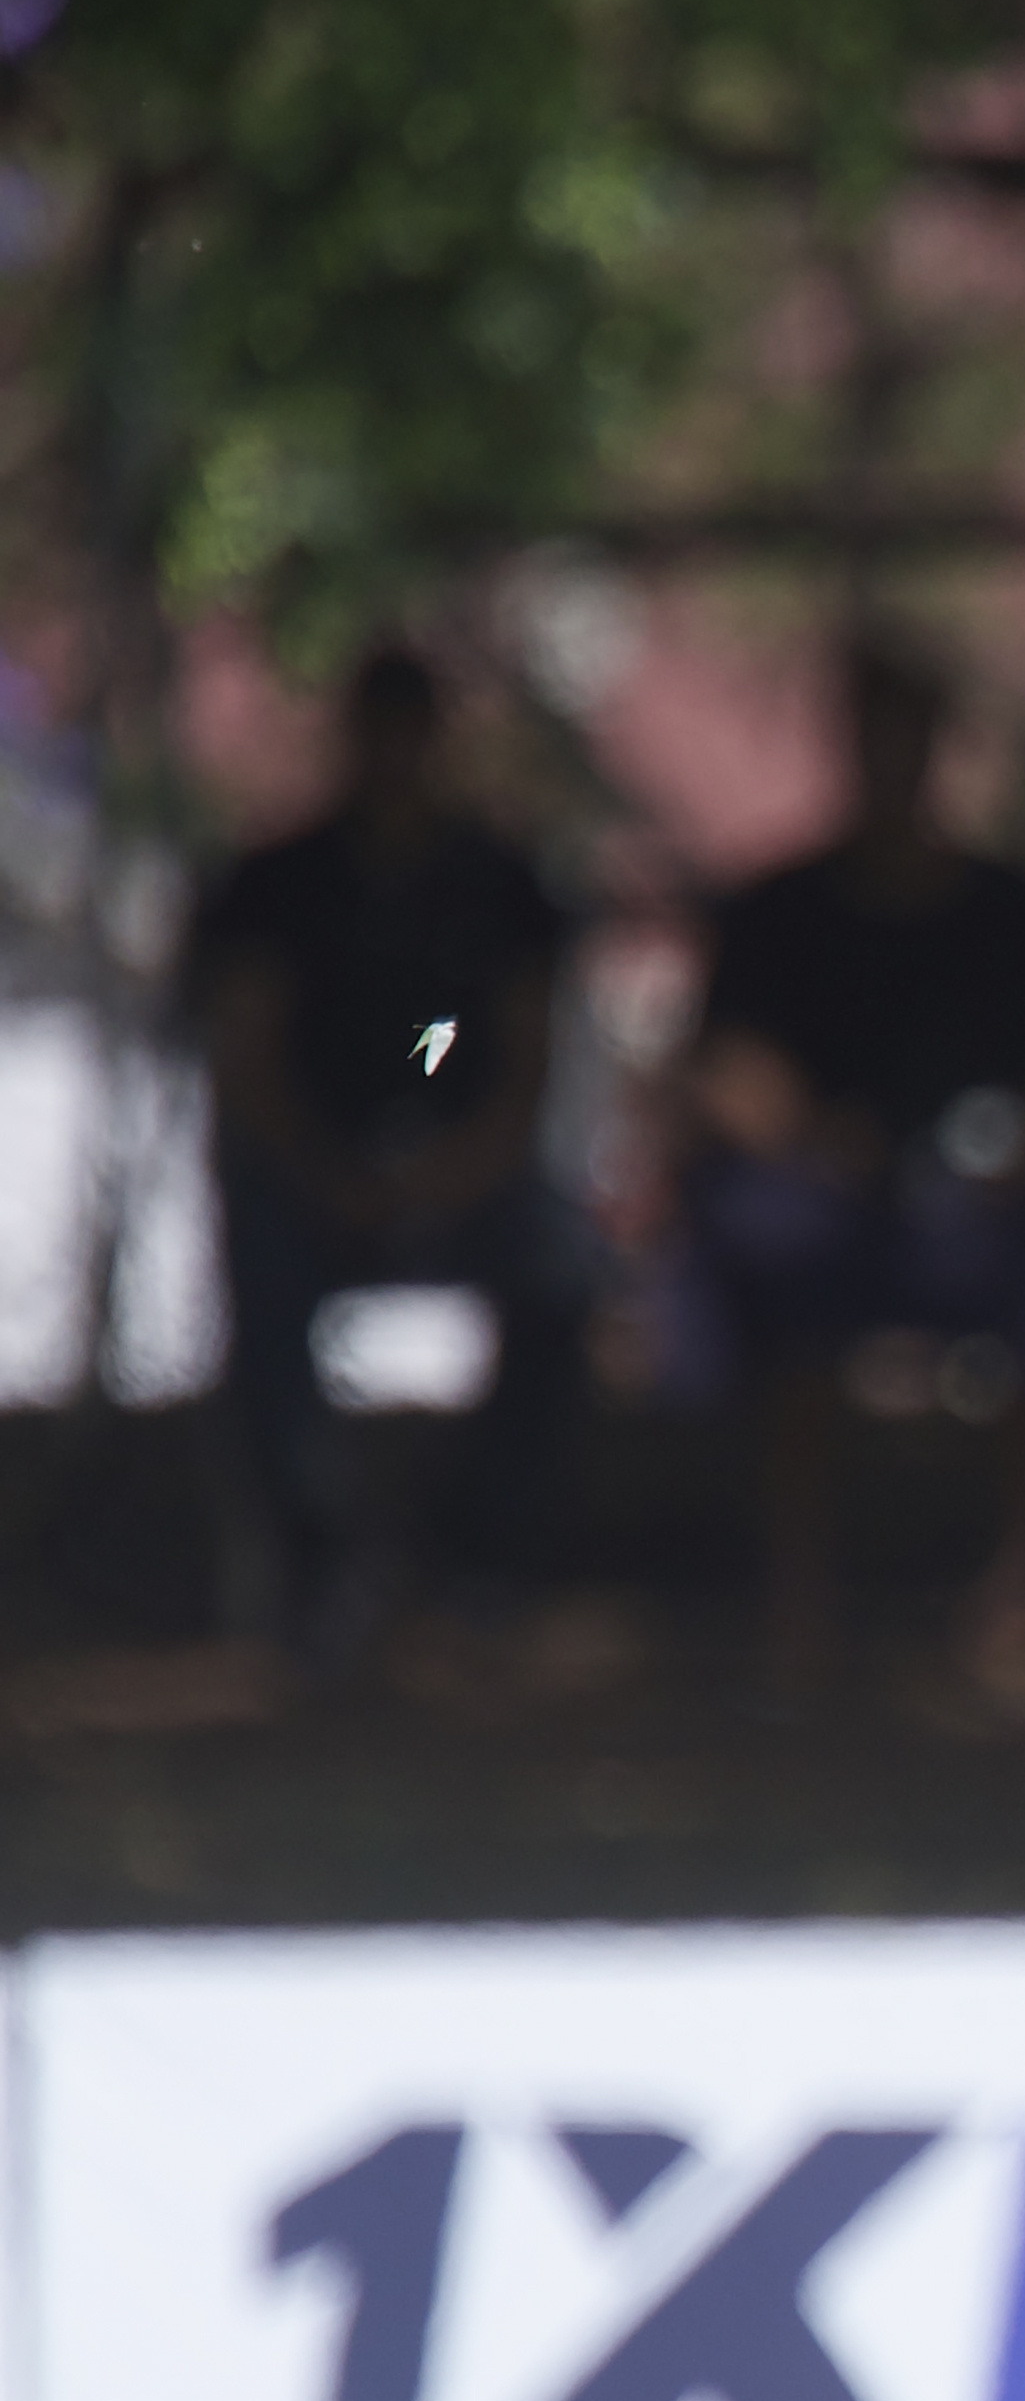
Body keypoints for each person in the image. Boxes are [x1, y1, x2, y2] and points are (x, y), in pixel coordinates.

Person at [671, 637, 1025, 1704]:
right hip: (827, 1198)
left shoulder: (1012, 913)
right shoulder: (778, 911)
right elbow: (723, 1070)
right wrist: (813, 1139)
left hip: (980, 1207)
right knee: (776, 1248)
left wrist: (1018, 1161)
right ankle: (800, 1585)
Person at [184, 643, 588, 1662]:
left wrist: (446, 1173)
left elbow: (523, 1066)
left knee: (565, 1274)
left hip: (465, 1177)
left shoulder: (498, 882)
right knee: (259, 1258)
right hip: (314, 1175)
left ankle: (480, 1544)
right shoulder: (279, 885)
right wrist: (335, 1174)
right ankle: (318, 1547)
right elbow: (252, 1058)